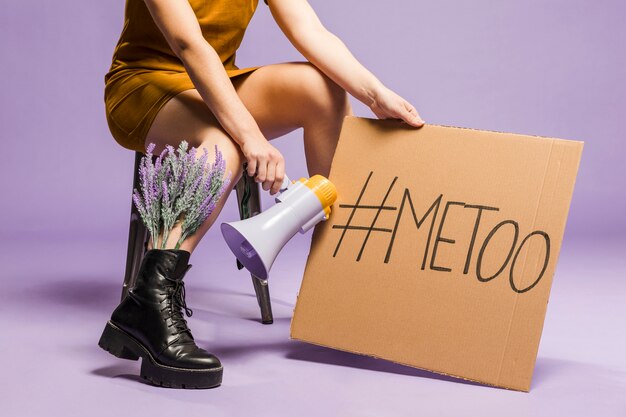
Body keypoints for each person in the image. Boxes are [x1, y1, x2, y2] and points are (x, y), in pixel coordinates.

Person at [98, 0, 425, 389]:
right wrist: (250, 136)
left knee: (322, 89)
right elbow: (188, 43)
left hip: (216, 80)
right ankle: (148, 300)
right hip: (144, 86)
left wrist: (376, 95)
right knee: (224, 144)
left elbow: (310, 31)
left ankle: (341, 286)